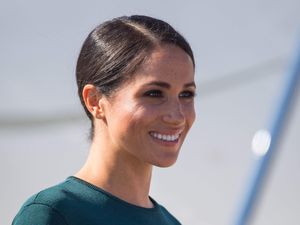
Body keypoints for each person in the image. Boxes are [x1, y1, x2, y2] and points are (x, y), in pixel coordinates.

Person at [12, 15, 196, 225]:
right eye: (154, 93)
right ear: (95, 101)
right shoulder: (54, 213)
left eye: (186, 94)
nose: (177, 116)